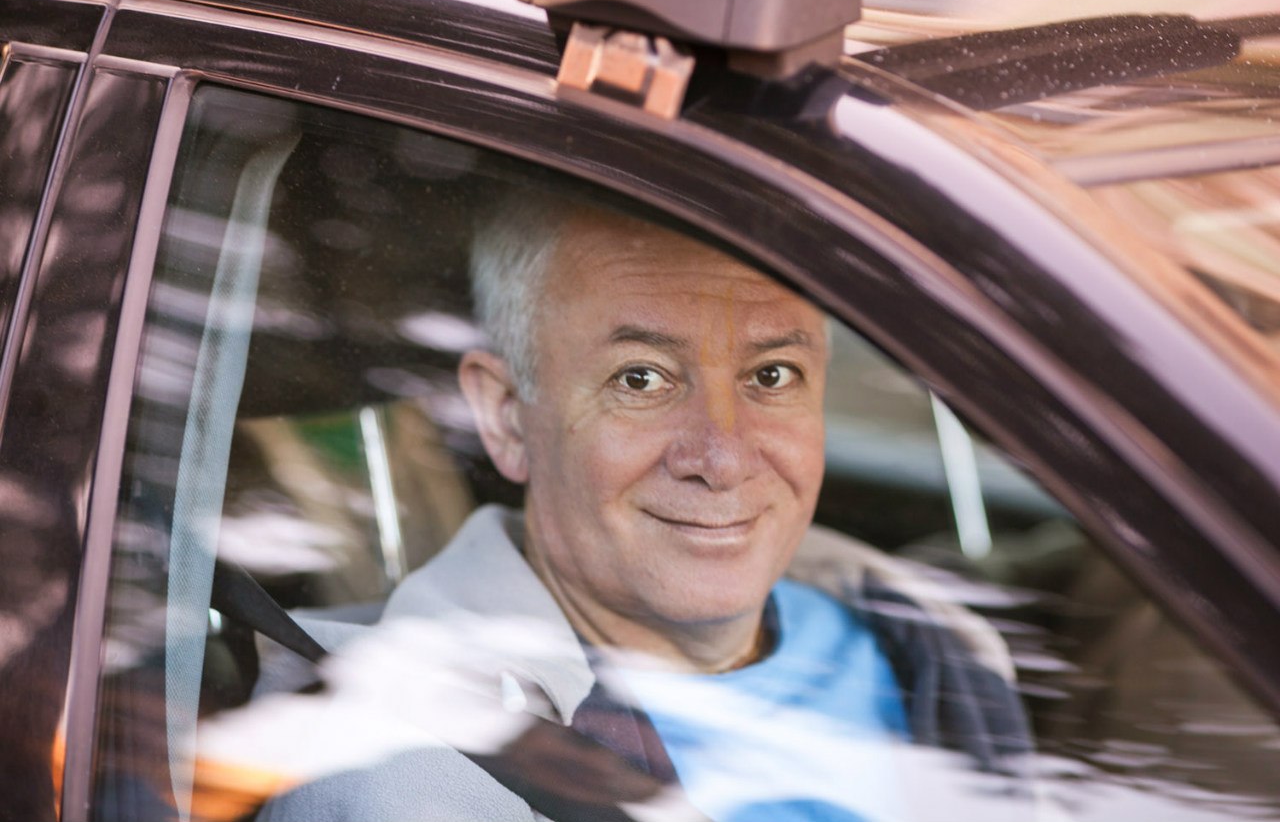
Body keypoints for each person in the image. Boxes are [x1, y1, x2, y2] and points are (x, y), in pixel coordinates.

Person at [250, 192, 1033, 822]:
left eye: (772, 375)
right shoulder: (411, 779)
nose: (723, 458)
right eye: (641, 378)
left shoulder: (934, 646)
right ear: (507, 415)